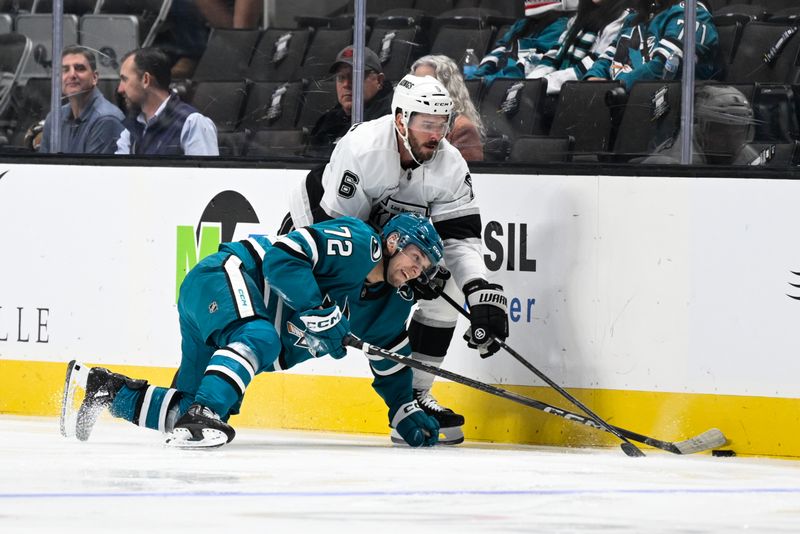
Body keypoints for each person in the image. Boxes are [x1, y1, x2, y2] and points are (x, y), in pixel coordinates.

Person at [61, 213, 444, 449]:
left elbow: (390, 360)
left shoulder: (391, 304)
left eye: (423, 265)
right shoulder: (359, 244)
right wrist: (317, 309)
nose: (416, 269)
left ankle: (106, 391)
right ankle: (204, 410)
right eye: (415, 256)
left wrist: (403, 410)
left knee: (189, 409)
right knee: (258, 339)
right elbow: (282, 257)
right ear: (394, 242)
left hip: (224, 314)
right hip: (227, 277)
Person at [286, 74, 510, 445]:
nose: (436, 134)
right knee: (282, 326)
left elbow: (461, 239)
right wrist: (395, 265)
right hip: (318, 234)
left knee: (447, 283)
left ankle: (415, 397)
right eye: (427, 124)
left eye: (442, 125)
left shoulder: (450, 164)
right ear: (401, 119)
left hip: (390, 248)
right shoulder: (362, 148)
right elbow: (340, 238)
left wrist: (480, 292)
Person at [582, 0, 721, 91]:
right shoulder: (634, 18)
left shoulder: (692, 13)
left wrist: (612, 88)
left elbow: (663, 68)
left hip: (660, 111)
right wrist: (592, 79)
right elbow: (607, 58)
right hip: (618, 101)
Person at [115, 47, 219, 156]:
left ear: (145, 80)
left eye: (125, 79)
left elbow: (204, 172)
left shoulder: (192, 123)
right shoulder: (133, 128)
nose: (120, 89)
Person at [305, 45, 394, 158]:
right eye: (341, 78)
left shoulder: (388, 122)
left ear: (379, 81)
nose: (346, 84)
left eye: (356, 77)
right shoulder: (328, 121)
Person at [638, 84, 761, 165]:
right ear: (702, 128)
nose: (731, 142)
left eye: (738, 132)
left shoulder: (745, 154)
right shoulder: (672, 163)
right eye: (721, 131)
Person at [526, 0, 630, 95]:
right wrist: (531, 84)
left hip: (584, 95)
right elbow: (552, 57)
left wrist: (541, 85)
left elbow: (596, 65)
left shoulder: (622, 20)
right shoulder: (577, 19)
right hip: (559, 90)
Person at [38, 45, 125, 154]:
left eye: (79, 68)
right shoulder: (54, 118)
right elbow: (43, 167)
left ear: (95, 78)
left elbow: (90, 170)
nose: (72, 74)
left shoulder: (107, 120)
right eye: (65, 70)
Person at [471, 1, 578, 82]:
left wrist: (489, 81)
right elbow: (497, 53)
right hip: (499, 83)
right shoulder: (521, 23)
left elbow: (524, 68)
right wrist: (477, 78)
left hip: (520, 90)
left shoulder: (560, 27)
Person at [411, 55, 486, 161]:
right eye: (416, 83)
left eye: (427, 84)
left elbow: (469, 175)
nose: (419, 89)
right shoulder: (407, 121)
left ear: (445, 87)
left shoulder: (462, 128)